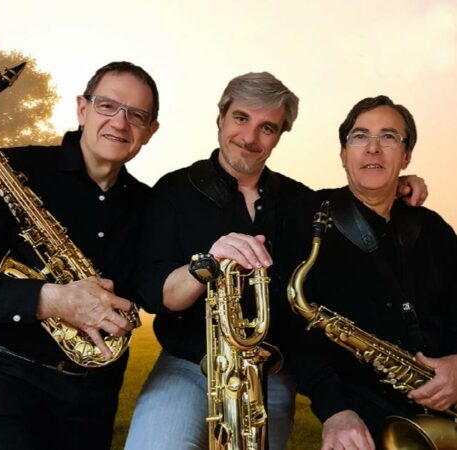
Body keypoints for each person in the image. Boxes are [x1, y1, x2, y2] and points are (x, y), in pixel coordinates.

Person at [124, 73, 428, 450]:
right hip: (187, 366)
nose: (250, 137)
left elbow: (358, 202)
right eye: (241, 118)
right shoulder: (173, 190)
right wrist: (208, 263)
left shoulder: (303, 202)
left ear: (281, 134)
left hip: (271, 372)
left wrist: (399, 183)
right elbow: (155, 294)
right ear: (221, 117)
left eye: (267, 127)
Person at [0, 61, 159, 450]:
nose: (120, 122)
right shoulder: (14, 168)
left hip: (90, 397)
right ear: (82, 108)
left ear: (150, 131)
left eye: (137, 115)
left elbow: (155, 290)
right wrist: (47, 299)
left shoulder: (151, 206)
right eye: (107, 106)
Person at [285, 95, 457, 449]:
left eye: (388, 137)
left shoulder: (434, 228)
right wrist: (335, 410)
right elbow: (292, 331)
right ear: (343, 153)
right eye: (360, 136)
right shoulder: (306, 216)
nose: (373, 148)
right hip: (360, 414)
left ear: (406, 156)